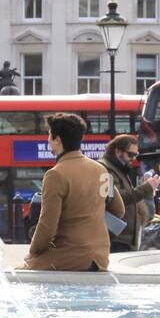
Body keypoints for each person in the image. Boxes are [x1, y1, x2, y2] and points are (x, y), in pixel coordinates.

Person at [21, 112, 125, 271]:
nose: (47, 140)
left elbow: (47, 226)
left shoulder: (55, 175)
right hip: (100, 257)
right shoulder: (101, 170)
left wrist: (33, 252)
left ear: (57, 140)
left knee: (19, 274)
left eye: (49, 136)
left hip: (69, 255)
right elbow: (119, 210)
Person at [99, 135, 160, 253]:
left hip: (124, 238)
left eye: (135, 155)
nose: (133, 158)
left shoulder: (120, 169)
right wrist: (147, 187)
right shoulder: (104, 169)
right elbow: (114, 198)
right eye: (130, 154)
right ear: (118, 151)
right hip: (114, 238)